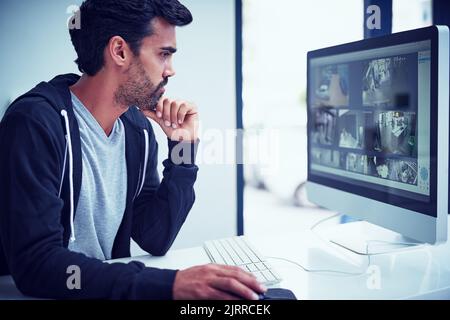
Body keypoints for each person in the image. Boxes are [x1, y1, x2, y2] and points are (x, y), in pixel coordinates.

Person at [0, 0, 266, 300]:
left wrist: (183, 151)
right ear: (120, 51)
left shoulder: (135, 128)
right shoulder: (34, 123)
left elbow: (155, 236)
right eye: (164, 54)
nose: (171, 70)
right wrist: (170, 285)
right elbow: (36, 265)